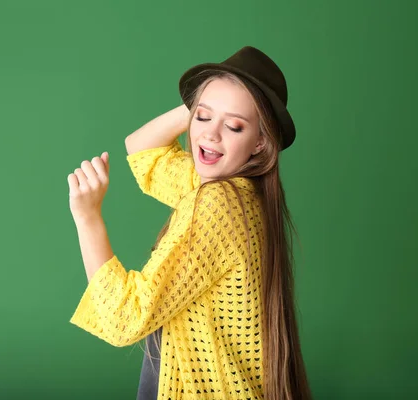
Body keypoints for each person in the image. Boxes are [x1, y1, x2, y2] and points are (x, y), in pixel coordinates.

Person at [67, 46, 312, 400]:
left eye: (233, 125)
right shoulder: (237, 192)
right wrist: (210, 99)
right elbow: (141, 150)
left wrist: (88, 217)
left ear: (261, 142)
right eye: (202, 118)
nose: (211, 135)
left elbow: (125, 317)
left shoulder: (219, 204)